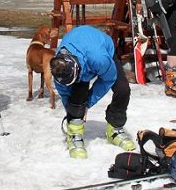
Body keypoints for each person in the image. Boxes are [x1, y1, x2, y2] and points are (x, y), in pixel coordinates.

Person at [49, 25, 134, 159]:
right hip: (80, 49)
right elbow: (66, 94)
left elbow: (108, 80)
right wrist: (74, 112)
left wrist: (87, 104)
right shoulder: (59, 68)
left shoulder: (99, 58)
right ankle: (74, 135)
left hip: (100, 50)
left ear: (77, 69)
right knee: (77, 93)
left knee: (123, 89)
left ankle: (115, 129)